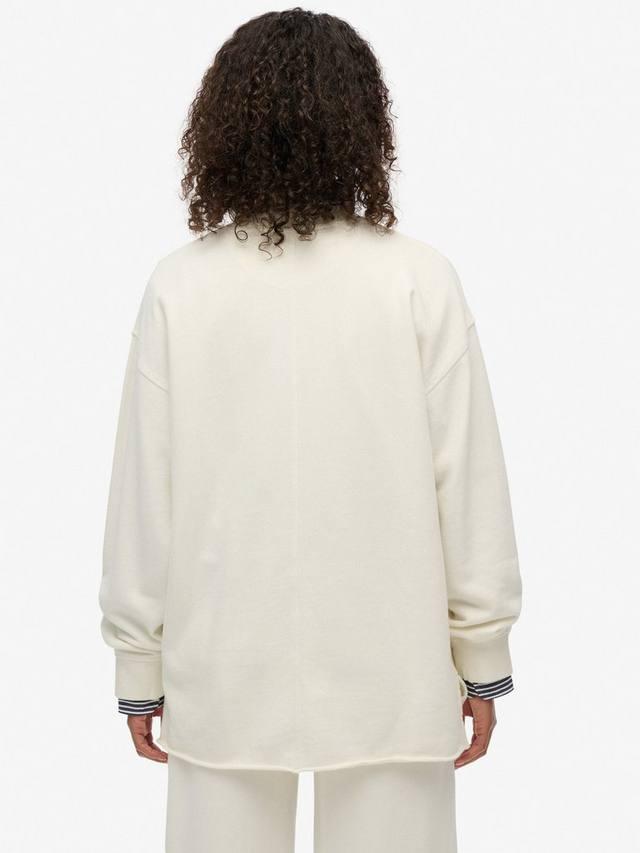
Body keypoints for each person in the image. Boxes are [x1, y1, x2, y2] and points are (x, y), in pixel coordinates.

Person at [98, 8, 522, 852]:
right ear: (363, 123)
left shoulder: (182, 286)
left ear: (223, 124)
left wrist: (138, 663)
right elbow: (468, 485)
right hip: (393, 668)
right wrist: (483, 656)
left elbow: (146, 497)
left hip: (223, 665)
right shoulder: (418, 279)